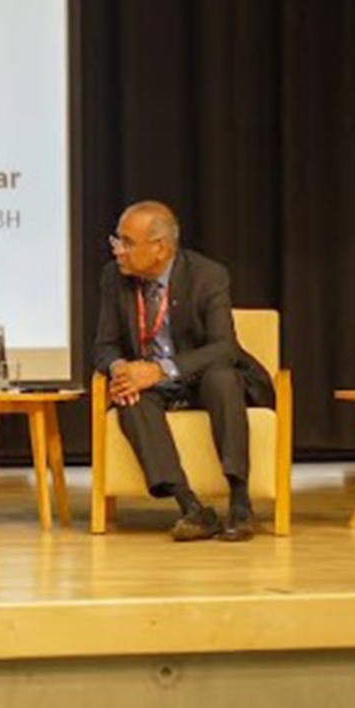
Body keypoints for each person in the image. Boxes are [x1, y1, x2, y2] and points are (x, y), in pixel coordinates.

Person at [94, 200, 275, 541]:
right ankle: (191, 507)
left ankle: (240, 501)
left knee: (223, 377)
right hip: (151, 388)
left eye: (127, 242)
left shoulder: (208, 275)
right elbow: (104, 346)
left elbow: (224, 347)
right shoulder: (112, 278)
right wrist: (123, 371)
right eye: (116, 241)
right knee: (128, 397)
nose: (118, 250)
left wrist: (160, 370)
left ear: (159, 248)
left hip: (198, 377)